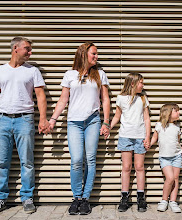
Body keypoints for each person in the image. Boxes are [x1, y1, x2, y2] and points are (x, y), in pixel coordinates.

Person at [0, 36, 48, 215]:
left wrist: (43, 119)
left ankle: (27, 198)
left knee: (27, 161)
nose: (30, 52)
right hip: (2, 120)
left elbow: (40, 96)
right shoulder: (0, 70)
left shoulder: (32, 71)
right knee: (2, 162)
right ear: (15, 49)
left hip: (24, 119)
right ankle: (0, 198)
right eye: (27, 48)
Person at [45, 42, 110, 215]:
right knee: (76, 160)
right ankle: (76, 198)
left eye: (97, 54)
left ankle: (86, 199)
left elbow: (105, 100)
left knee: (90, 159)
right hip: (74, 122)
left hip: (93, 121)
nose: (96, 57)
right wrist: (52, 120)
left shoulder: (100, 74)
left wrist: (106, 122)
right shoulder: (70, 75)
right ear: (83, 54)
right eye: (93, 54)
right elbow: (63, 100)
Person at [110, 73, 151, 212]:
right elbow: (117, 115)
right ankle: (124, 197)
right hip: (125, 137)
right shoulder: (121, 98)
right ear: (132, 83)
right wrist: (109, 127)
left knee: (139, 167)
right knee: (126, 167)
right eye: (141, 82)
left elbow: (146, 119)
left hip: (140, 137)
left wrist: (148, 137)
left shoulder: (143, 98)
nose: (143, 85)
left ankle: (140, 197)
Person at [150, 103, 182, 213]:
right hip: (165, 157)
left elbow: (177, 143)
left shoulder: (177, 127)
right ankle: (164, 200)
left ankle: (173, 201)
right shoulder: (159, 125)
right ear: (168, 113)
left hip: (176, 156)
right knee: (170, 178)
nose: (179, 113)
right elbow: (154, 138)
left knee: (176, 179)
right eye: (176, 111)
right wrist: (148, 145)